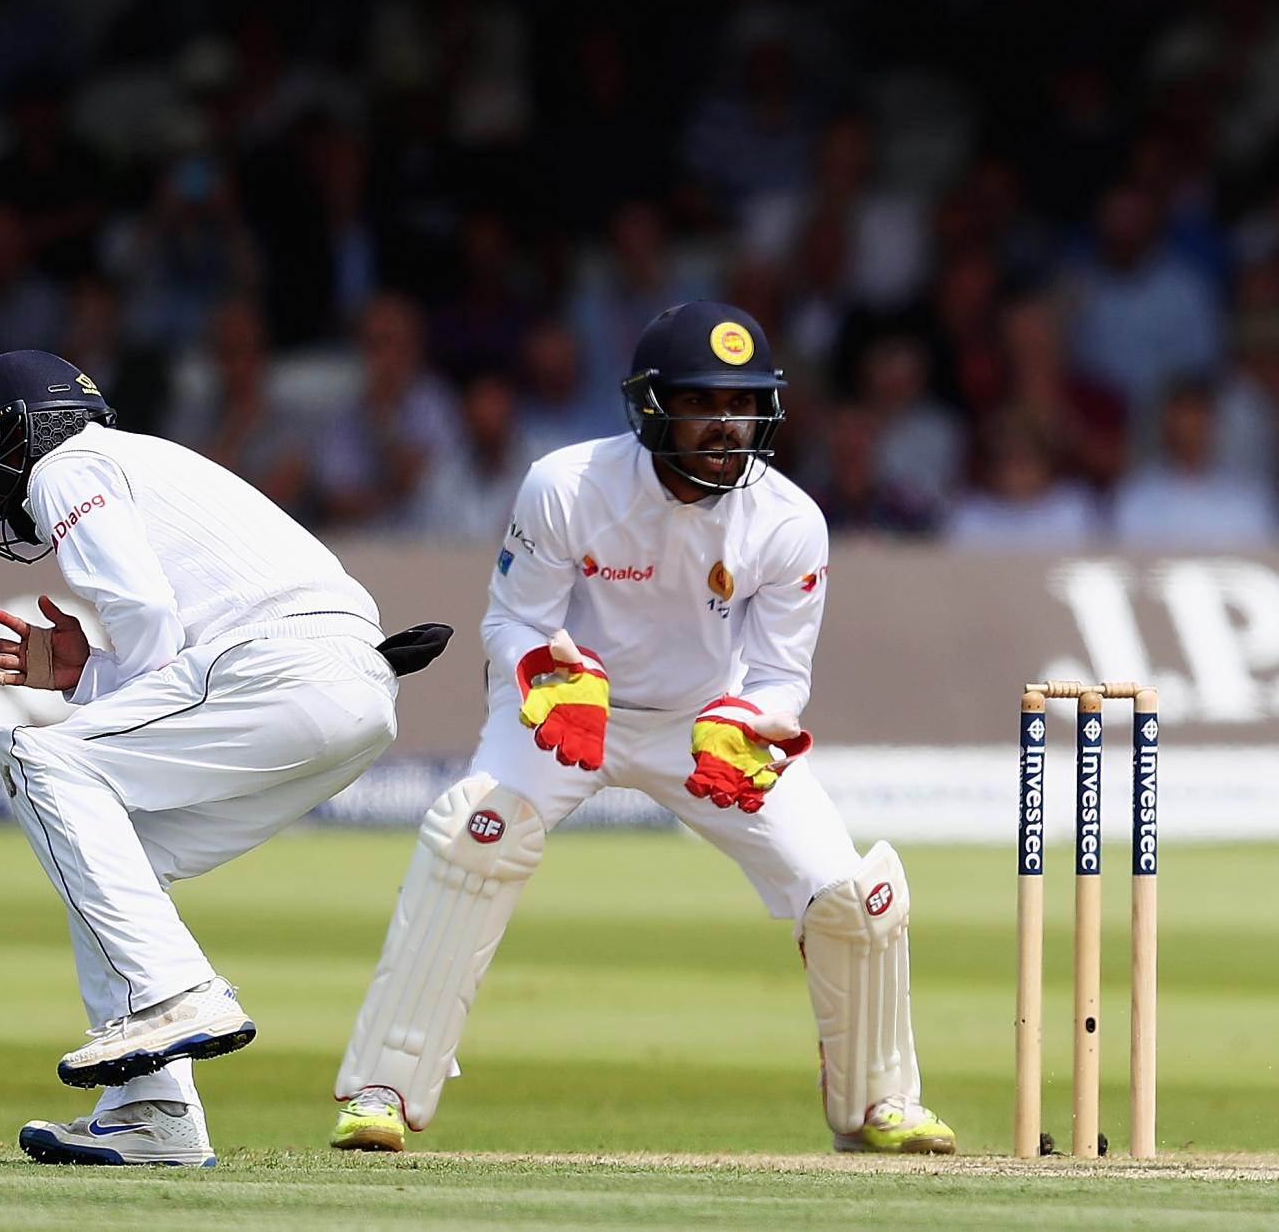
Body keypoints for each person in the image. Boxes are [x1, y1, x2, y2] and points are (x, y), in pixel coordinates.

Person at [328, 302, 954, 1156]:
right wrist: (551, 682)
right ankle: (383, 1091)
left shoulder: (790, 519)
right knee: (473, 838)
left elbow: (779, 676)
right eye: (702, 402)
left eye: (742, 404)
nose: (726, 425)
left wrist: (750, 725)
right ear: (653, 405)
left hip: (704, 724)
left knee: (851, 896)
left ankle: (881, 1103)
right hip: (568, 710)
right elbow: (511, 621)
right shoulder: (567, 484)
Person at [0, 349, 450, 1168]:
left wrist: (111, 673)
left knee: (38, 762)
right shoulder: (134, 459)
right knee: (111, 852)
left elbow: (144, 610)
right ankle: (152, 1112)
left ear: (18, 431)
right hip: (348, 691)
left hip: (283, 666)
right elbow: (172, 651)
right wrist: (90, 675)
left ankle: (175, 994)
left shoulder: (68, 463)